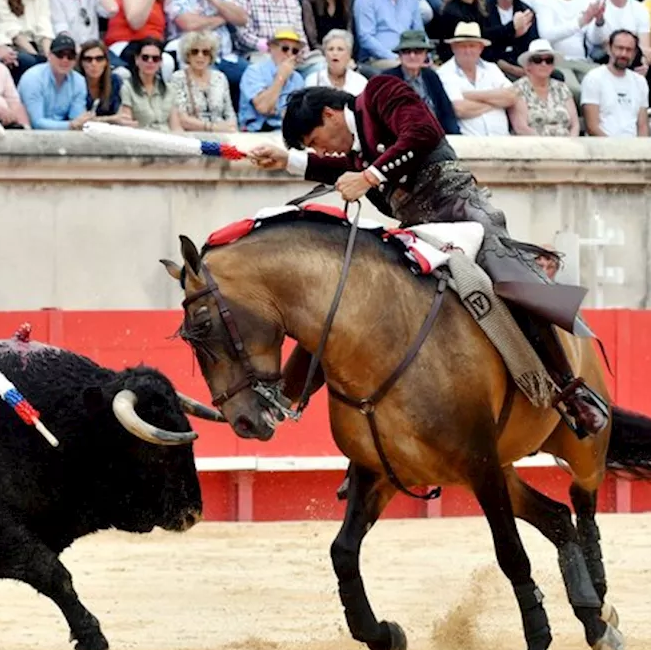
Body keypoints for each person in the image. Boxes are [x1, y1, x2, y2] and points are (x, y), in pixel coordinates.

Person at [246, 80, 609, 439]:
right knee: (348, 299)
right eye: (312, 148)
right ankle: (286, 398)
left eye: (314, 141)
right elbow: (344, 166)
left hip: (466, 217)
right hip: (422, 234)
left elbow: (419, 134)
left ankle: (571, 389)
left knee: (510, 281)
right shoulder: (359, 150)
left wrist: (369, 178)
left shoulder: (380, 93)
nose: (320, 151)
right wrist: (289, 160)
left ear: (330, 115)